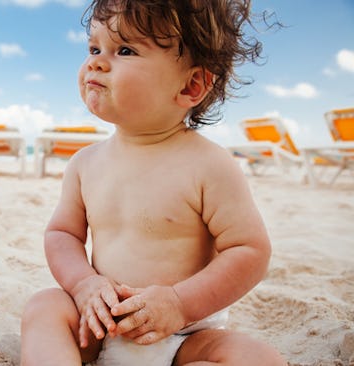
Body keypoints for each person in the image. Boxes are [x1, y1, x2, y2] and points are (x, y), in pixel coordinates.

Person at [20, 0, 287, 365]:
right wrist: (83, 284)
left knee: (258, 357)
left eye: (125, 50)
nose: (96, 62)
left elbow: (250, 251)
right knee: (45, 306)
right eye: (95, 48)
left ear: (192, 85)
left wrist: (180, 303)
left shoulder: (209, 164)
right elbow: (62, 235)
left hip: (186, 336)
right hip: (100, 327)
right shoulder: (84, 164)